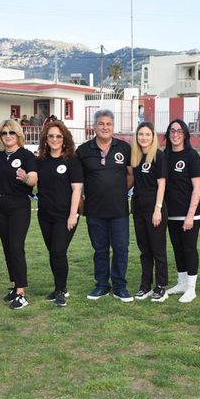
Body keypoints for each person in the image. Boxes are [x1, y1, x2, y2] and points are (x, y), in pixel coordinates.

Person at [76, 109, 134, 302]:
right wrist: (81, 202)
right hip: (94, 210)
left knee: (121, 248)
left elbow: (131, 175)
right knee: (100, 250)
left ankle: (119, 286)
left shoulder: (124, 148)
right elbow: (77, 182)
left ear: (113, 126)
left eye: (108, 124)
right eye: (101, 123)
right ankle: (101, 285)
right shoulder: (83, 150)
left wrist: (117, 191)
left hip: (119, 210)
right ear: (94, 126)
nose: (105, 127)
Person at [0, 119, 38, 309]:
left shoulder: (26, 155)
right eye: (4, 133)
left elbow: (33, 179)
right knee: (7, 247)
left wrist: (25, 177)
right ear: (0, 136)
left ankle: (21, 292)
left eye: (11, 132)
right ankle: (14, 284)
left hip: (19, 205)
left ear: (18, 135)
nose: (8, 136)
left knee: (16, 246)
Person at [36, 120, 83, 307]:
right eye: (51, 136)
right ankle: (58, 287)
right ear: (45, 139)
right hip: (45, 215)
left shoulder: (72, 160)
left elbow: (76, 189)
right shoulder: (41, 161)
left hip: (65, 216)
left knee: (58, 251)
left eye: (58, 136)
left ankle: (61, 290)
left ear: (64, 139)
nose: (54, 139)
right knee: (53, 253)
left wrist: (73, 214)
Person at [164, 119, 200, 303]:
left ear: (185, 134)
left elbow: (197, 187)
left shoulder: (191, 155)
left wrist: (190, 216)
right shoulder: (165, 155)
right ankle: (181, 283)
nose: (175, 134)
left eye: (179, 131)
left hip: (190, 213)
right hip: (171, 212)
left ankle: (191, 288)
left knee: (189, 249)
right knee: (177, 248)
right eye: (172, 131)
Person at [130, 121, 168, 302]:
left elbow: (162, 185)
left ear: (153, 137)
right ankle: (145, 285)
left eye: (147, 134)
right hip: (138, 209)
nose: (143, 137)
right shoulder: (135, 157)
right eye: (140, 134)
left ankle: (160, 286)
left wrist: (158, 209)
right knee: (144, 250)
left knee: (157, 250)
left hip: (154, 210)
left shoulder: (159, 156)